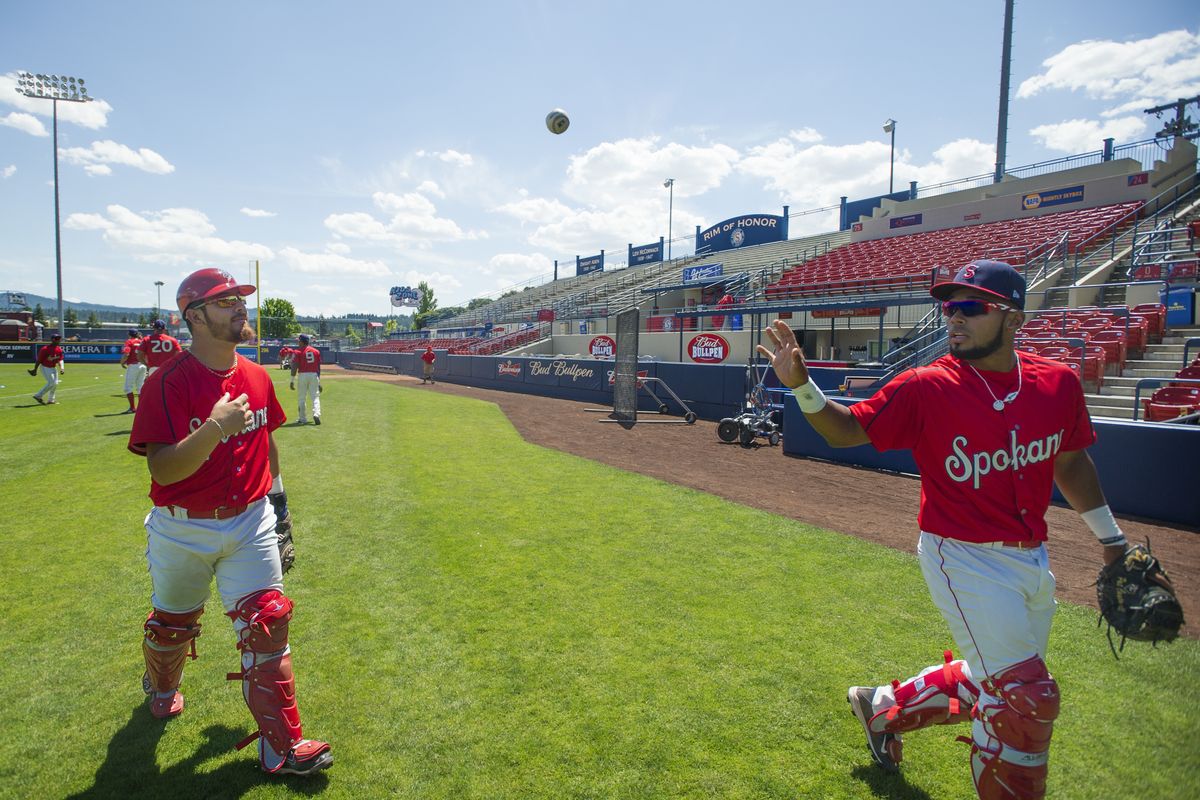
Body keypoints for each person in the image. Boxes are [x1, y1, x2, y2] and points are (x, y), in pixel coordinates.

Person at [757, 260, 1127, 800]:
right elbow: (846, 430)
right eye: (949, 307)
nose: (954, 317)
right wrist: (804, 387)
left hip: (1031, 558)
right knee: (1026, 695)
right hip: (961, 556)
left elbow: (1070, 465)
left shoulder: (1057, 383)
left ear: (1013, 317)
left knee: (989, 681)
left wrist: (1112, 540)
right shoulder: (928, 386)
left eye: (971, 306)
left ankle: (877, 707)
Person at [128, 267, 332, 776]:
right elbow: (163, 468)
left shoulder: (258, 375)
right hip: (182, 526)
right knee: (173, 626)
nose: (240, 308)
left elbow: (268, 442)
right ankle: (163, 686)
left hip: (250, 519)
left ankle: (280, 746)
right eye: (224, 303)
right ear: (194, 316)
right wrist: (216, 427)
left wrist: (279, 503)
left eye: (240, 300)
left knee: (268, 624)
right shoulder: (166, 382)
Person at [289, 334, 322, 425]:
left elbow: (294, 366)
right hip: (314, 374)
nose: (298, 342)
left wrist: (292, 380)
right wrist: (319, 381)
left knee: (301, 398)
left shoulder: (298, 351)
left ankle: (302, 418)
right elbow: (318, 367)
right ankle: (316, 414)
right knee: (315, 396)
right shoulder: (316, 351)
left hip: (302, 375)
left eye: (299, 341)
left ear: (302, 341)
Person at [31, 333, 65, 405]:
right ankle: (38, 396)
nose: (58, 340)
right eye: (57, 338)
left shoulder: (59, 349)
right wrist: (35, 369)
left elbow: (60, 359)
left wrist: (62, 368)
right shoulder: (45, 349)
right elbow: (39, 360)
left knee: (55, 384)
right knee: (51, 382)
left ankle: (51, 400)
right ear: (52, 340)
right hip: (45, 367)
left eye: (59, 338)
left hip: (53, 367)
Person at [121, 328, 147, 413]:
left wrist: (122, 362)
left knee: (128, 388)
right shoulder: (141, 341)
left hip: (133, 365)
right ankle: (141, 408)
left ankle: (132, 408)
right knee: (140, 387)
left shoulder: (129, 341)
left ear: (129, 334)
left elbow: (126, 353)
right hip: (143, 365)